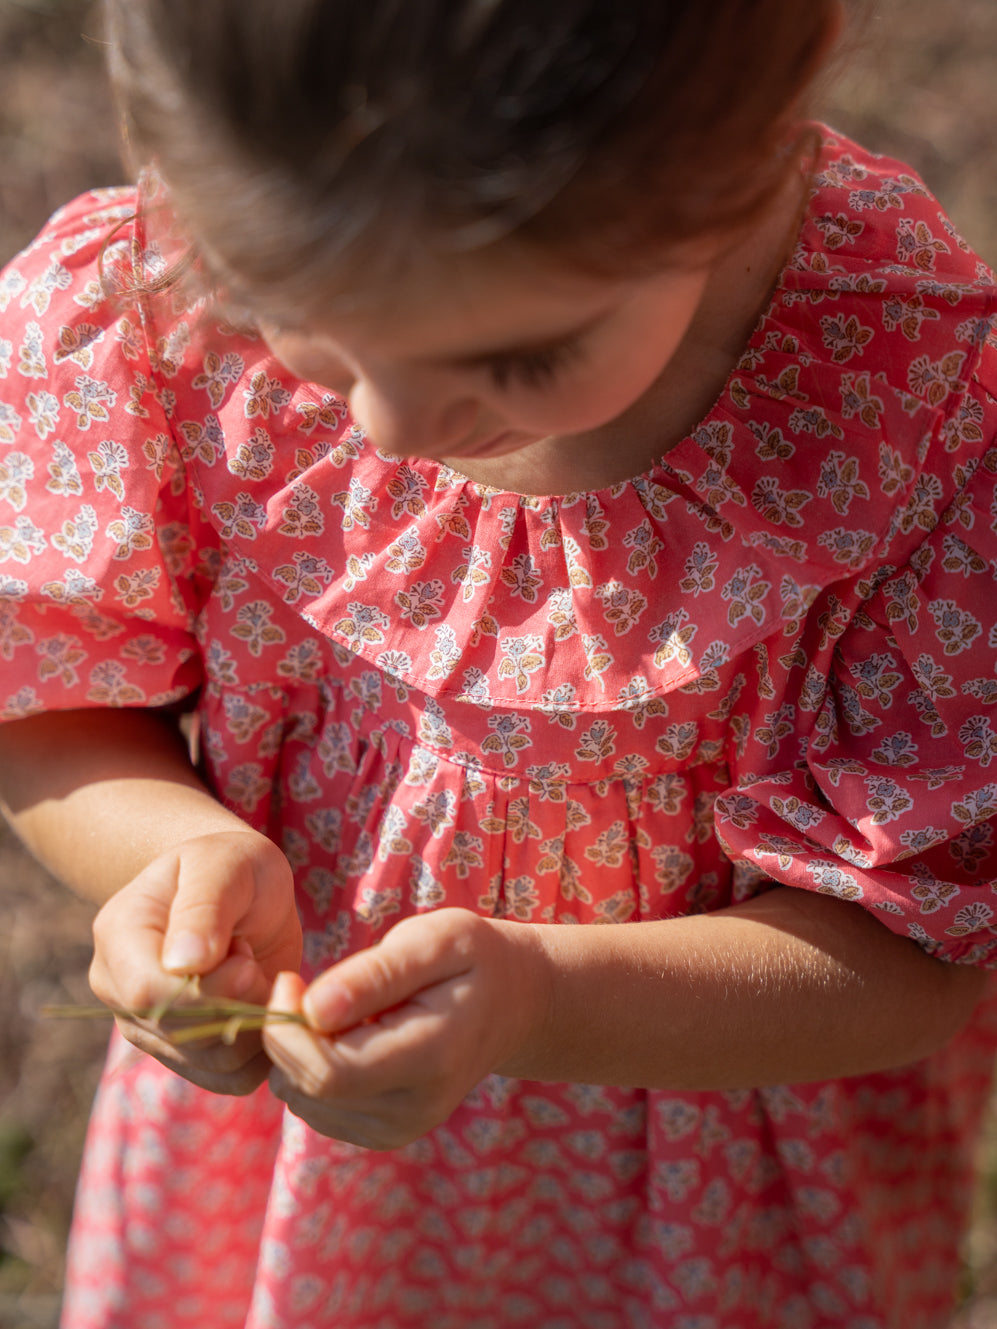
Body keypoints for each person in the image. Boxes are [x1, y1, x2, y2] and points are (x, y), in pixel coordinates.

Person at [1, 0, 996, 1324]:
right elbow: (54, 701)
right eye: (277, 303)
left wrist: (538, 999)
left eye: (518, 354)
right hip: (284, 1192)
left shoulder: (914, 424)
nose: (388, 423)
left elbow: (907, 955)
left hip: (708, 1216)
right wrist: (174, 857)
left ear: (743, 152)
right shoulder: (149, 306)